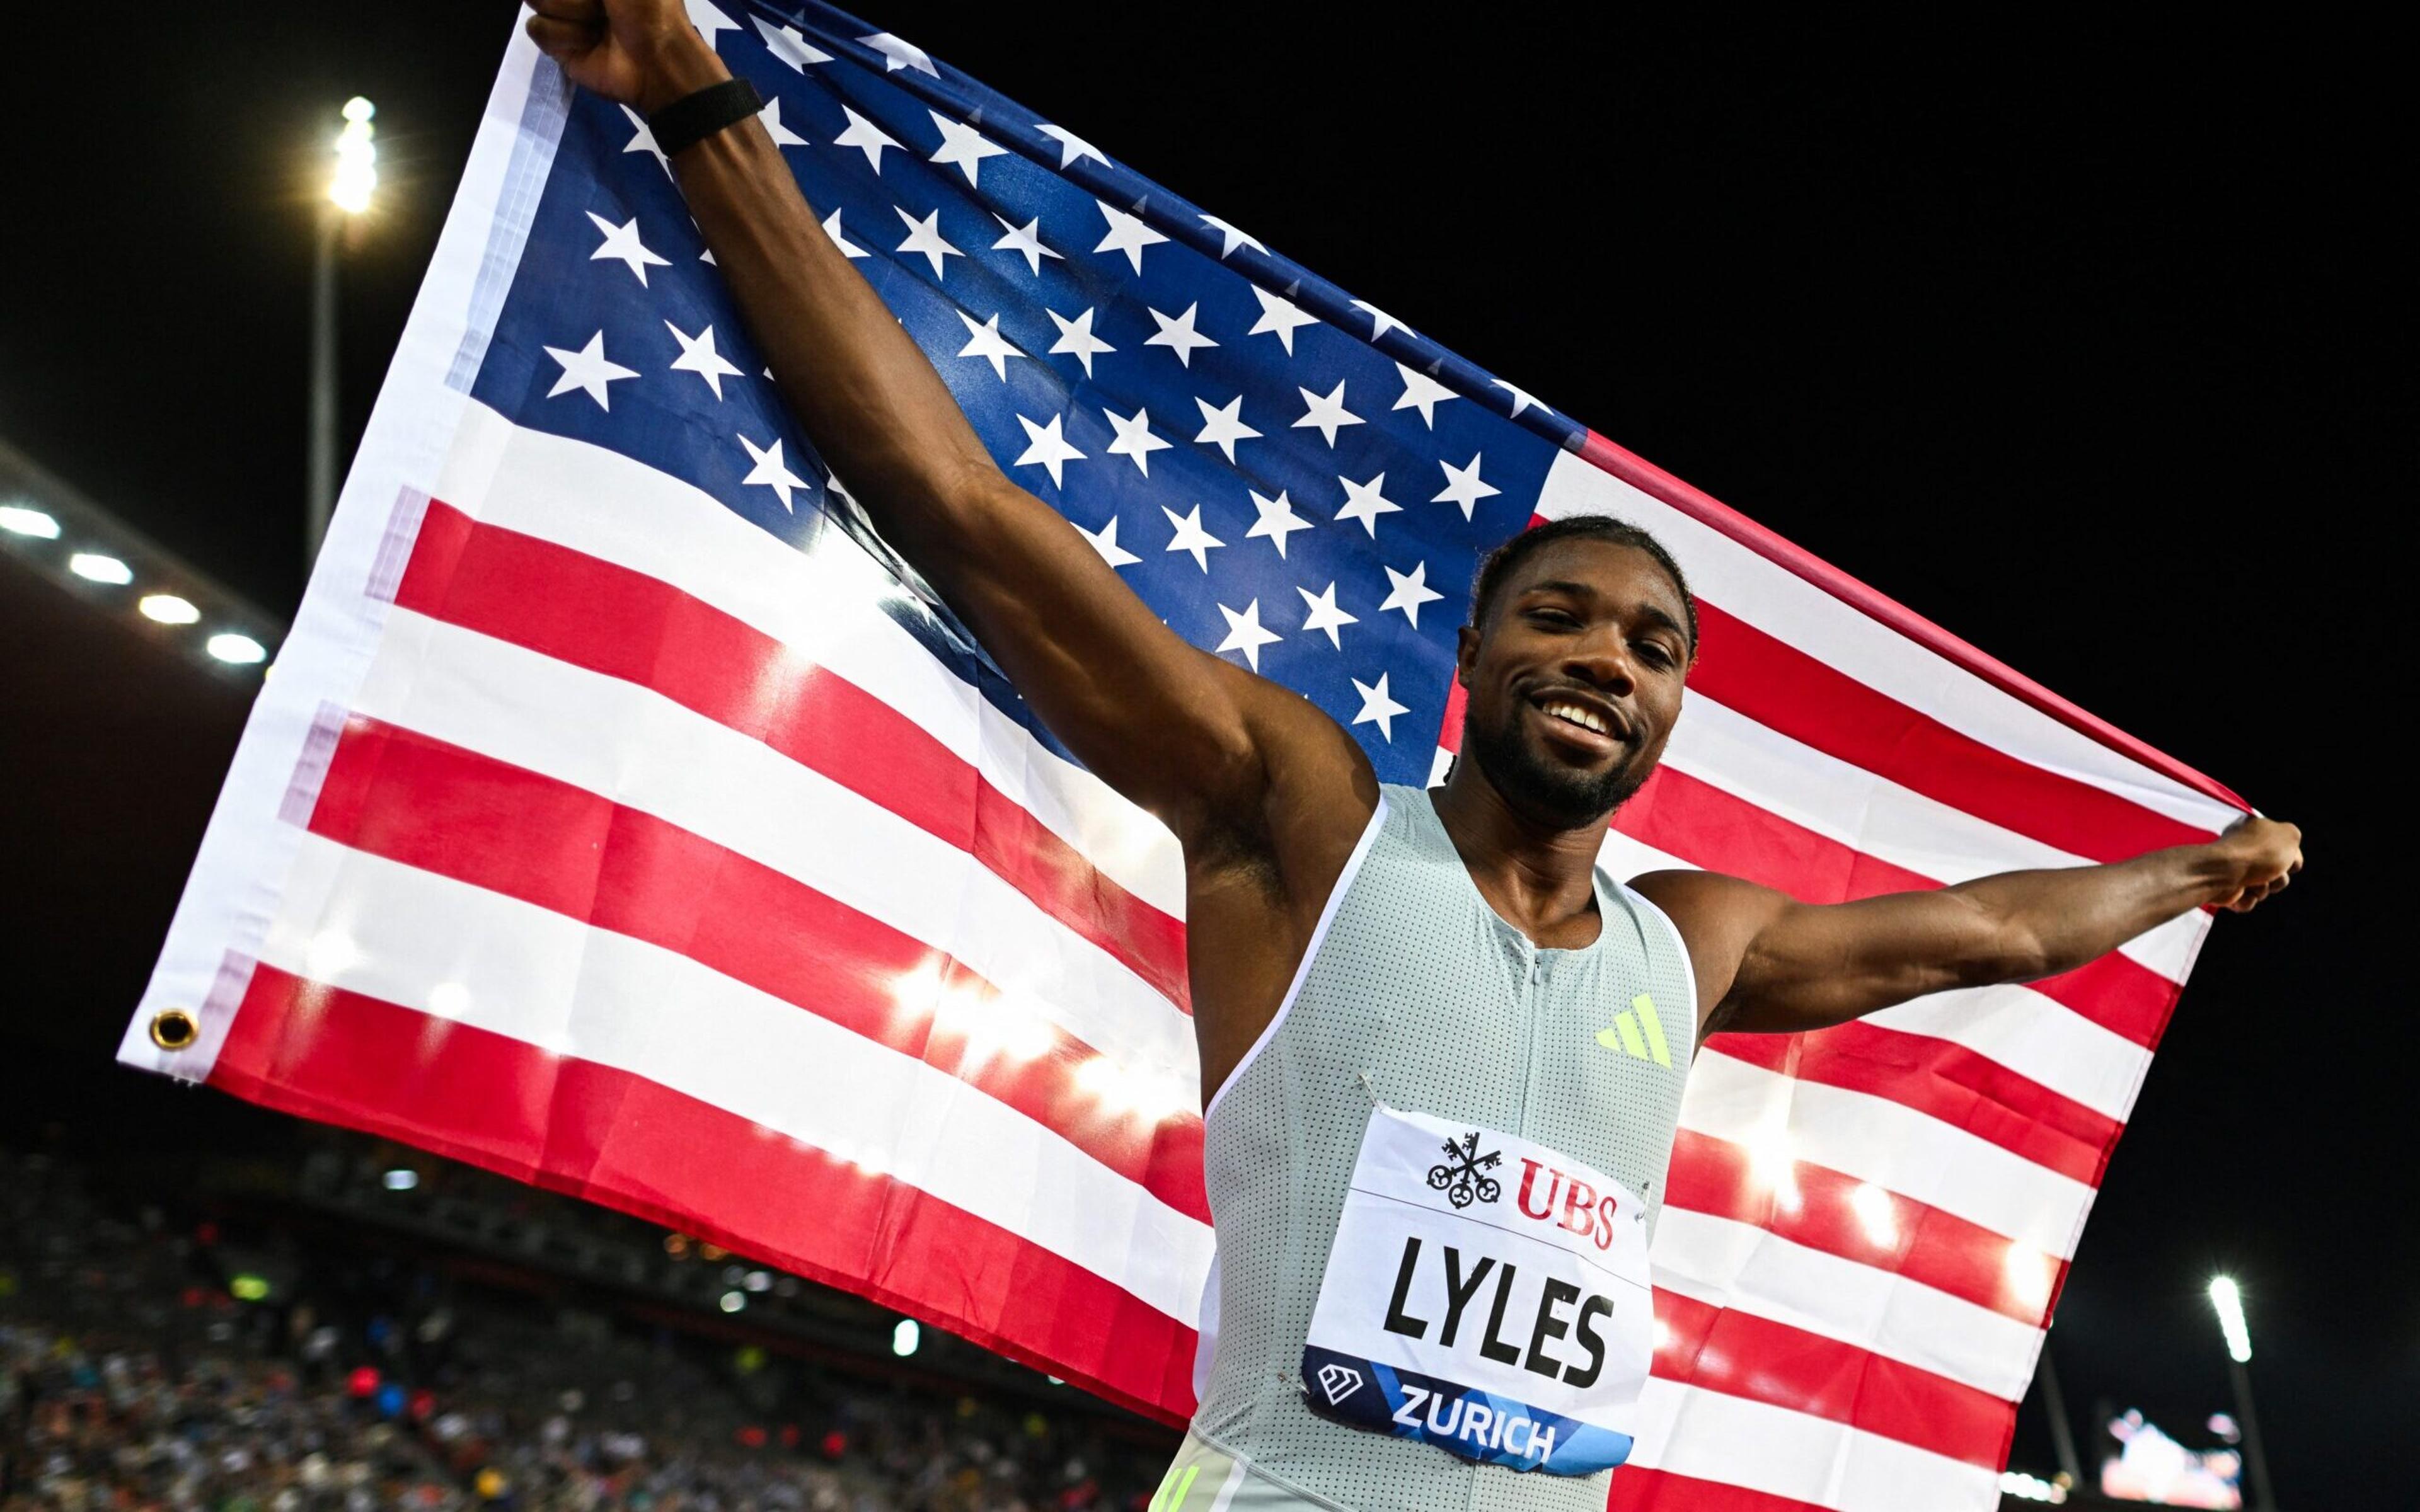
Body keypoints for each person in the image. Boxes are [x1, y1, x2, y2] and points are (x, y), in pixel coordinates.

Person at [524, 5, 2306, 1508]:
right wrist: (698, 99)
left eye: (1650, 643)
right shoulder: (1298, 814)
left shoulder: (1696, 947)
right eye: (1563, 618)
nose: (1607, 656)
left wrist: (2200, 871)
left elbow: (1992, 935)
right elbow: (971, 515)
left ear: (1672, 709)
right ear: (1471, 660)